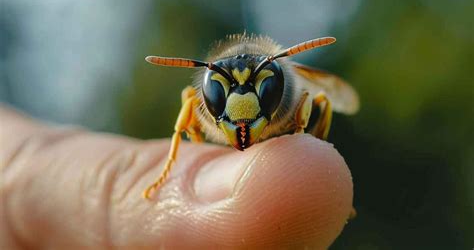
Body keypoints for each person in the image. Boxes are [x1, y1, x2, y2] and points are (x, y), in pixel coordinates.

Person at [0, 105, 353, 249]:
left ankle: (311, 151)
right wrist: (172, 168)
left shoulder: (292, 97)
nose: (242, 103)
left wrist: (306, 141)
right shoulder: (196, 103)